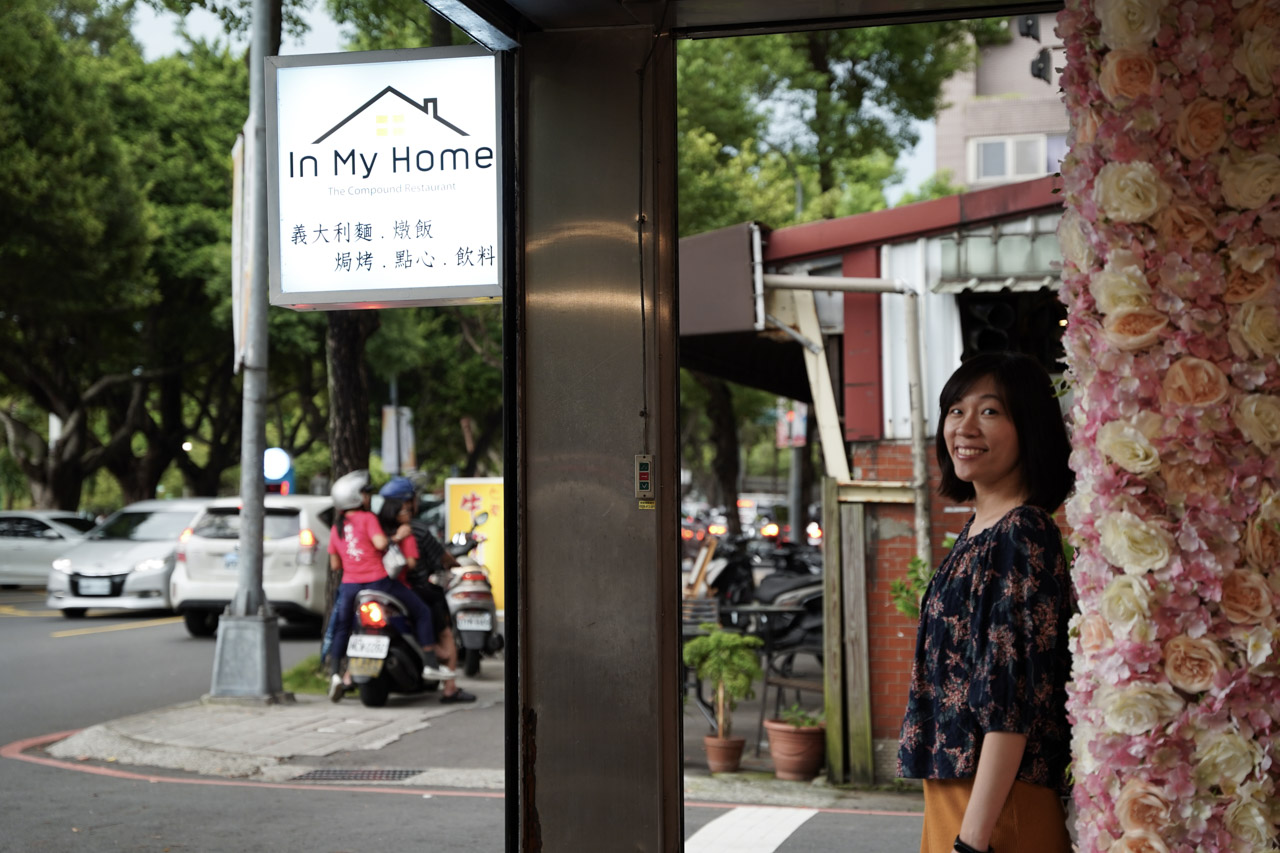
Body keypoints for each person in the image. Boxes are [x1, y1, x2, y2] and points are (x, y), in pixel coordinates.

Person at [897, 352, 1075, 853]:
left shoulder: (1022, 534)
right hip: (963, 801)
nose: (965, 426)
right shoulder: (980, 531)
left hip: (996, 812)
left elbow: (1008, 701)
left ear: (1030, 428)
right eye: (955, 410)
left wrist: (971, 843)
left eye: (990, 411)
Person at [326, 469, 456, 703]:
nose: (368, 498)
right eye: (366, 493)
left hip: (350, 587)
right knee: (422, 611)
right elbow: (380, 543)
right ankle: (429, 663)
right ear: (356, 497)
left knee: (343, 628)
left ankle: (335, 673)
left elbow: (335, 564)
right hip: (379, 582)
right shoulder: (368, 519)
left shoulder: (337, 528)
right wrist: (397, 537)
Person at [379, 477, 476, 704]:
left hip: (381, 589)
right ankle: (450, 688)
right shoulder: (417, 531)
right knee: (445, 633)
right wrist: (455, 564)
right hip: (418, 590)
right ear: (407, 504)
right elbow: (443, 558)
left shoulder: (377, 530)